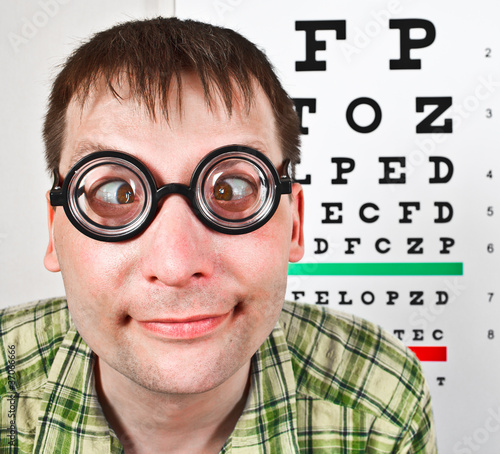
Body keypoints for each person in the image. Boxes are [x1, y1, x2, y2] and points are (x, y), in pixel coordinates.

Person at [0, 17, 437, 453]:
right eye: (116, 193)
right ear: (55, 230)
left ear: (295, 224)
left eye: (232, 189)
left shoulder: (379, 403)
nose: (176, 266)